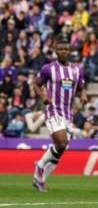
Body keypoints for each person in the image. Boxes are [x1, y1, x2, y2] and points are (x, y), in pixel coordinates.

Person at [32, 37, 88, 192]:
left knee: (61, 149)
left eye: (66, 49)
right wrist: (43, 97)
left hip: (67, 113)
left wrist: (83, 94)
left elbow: (81, 87)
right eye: (61, 49)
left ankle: (40, 179)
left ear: (70, 51)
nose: (63, 52)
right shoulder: (48, 69)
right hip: (53, 110)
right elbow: (36, 84)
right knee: (62, 142)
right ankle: (40, 166)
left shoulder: (77, 70)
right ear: (56, 51)